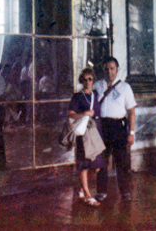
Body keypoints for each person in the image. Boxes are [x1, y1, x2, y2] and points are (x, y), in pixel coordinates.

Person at [94, 56, 137, 202]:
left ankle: (125, 191)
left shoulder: (125, 88)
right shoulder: (97, 86)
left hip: (118, 127)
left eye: (112, 69)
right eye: (106, 69)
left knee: (122, 162)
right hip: (102, 127)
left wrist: (131, 133)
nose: (109, 72)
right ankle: (101, 191)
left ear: (117, 70)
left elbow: (131, 112)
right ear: (103, 70)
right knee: (102, 162)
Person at [67, 67, 106, 208]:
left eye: (90, 79)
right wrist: (84, 114)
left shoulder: (95, 94)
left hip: (96, 131)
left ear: (93, 80)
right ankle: (89, 195)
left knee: (96, 166)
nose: (88, 81)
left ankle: (82, 188)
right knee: (84, 165)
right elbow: (71, 114)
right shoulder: (77, 96)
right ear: (81, 81)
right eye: (85, 79)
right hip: (85, 132)